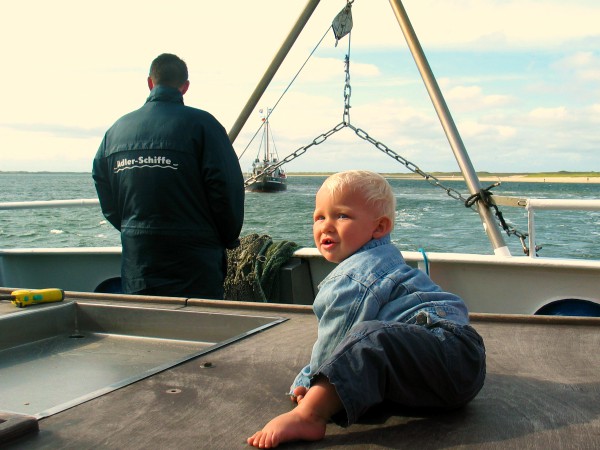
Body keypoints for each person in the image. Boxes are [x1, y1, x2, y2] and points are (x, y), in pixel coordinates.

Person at [247, 170, 486, 448]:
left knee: (370, 337)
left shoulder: (353, 277)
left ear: (380, 227)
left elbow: (337, 340)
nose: (326, 225)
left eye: (342, 216)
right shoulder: (386, 257)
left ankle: (309, 416)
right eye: (319, 217)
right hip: (449, 369)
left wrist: (311, 384)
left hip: (449, 353)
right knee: (371, 344)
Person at [93, 53, 244, 299]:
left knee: (145, 330)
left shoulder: (115, 132)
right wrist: (226, 238)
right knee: (198, 331)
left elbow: (104, 191)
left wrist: (132, 228)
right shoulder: (205, 126)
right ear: (185, 87)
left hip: (138, 262)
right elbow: (227, 189)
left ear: (150, 83)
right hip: (196, 263)